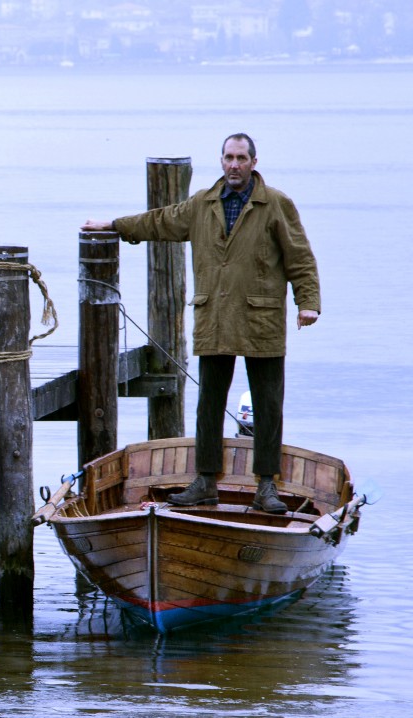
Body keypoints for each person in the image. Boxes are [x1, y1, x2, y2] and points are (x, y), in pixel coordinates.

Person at [81, 133, 320, 514]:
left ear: (254, 162)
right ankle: (205, 482)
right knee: (209, 403)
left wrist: (307, 303)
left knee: (269, 404)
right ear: (221, 161)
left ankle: (266, 487)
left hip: (262, 319)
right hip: (215, 319)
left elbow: (300, 258)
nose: (234, 165)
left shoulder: (275, 204)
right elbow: (159, 222)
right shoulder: (203, 204)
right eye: (228, 157)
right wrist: (113, 225)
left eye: (242, 158)